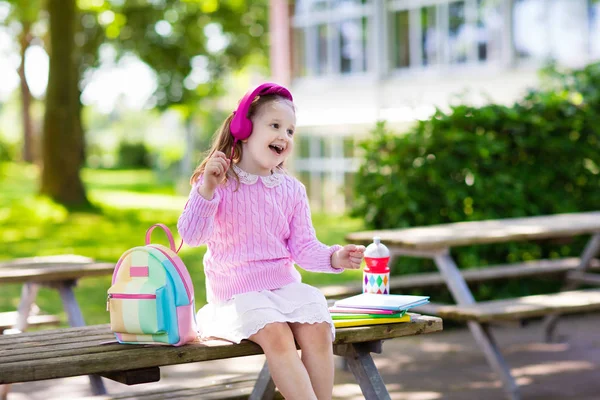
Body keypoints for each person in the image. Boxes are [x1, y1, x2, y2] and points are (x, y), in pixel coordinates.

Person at [177, 83, 365, 400]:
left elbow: (303, 248)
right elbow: (191, 236)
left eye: (290, 131)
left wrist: (335, 258)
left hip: (284, 289)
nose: (284, 136)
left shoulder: (292, 190)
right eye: (275, 126)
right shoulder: (219, 182)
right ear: (245, 130)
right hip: (237, 295)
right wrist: (207, 188)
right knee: (277, 335)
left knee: (319, 330)